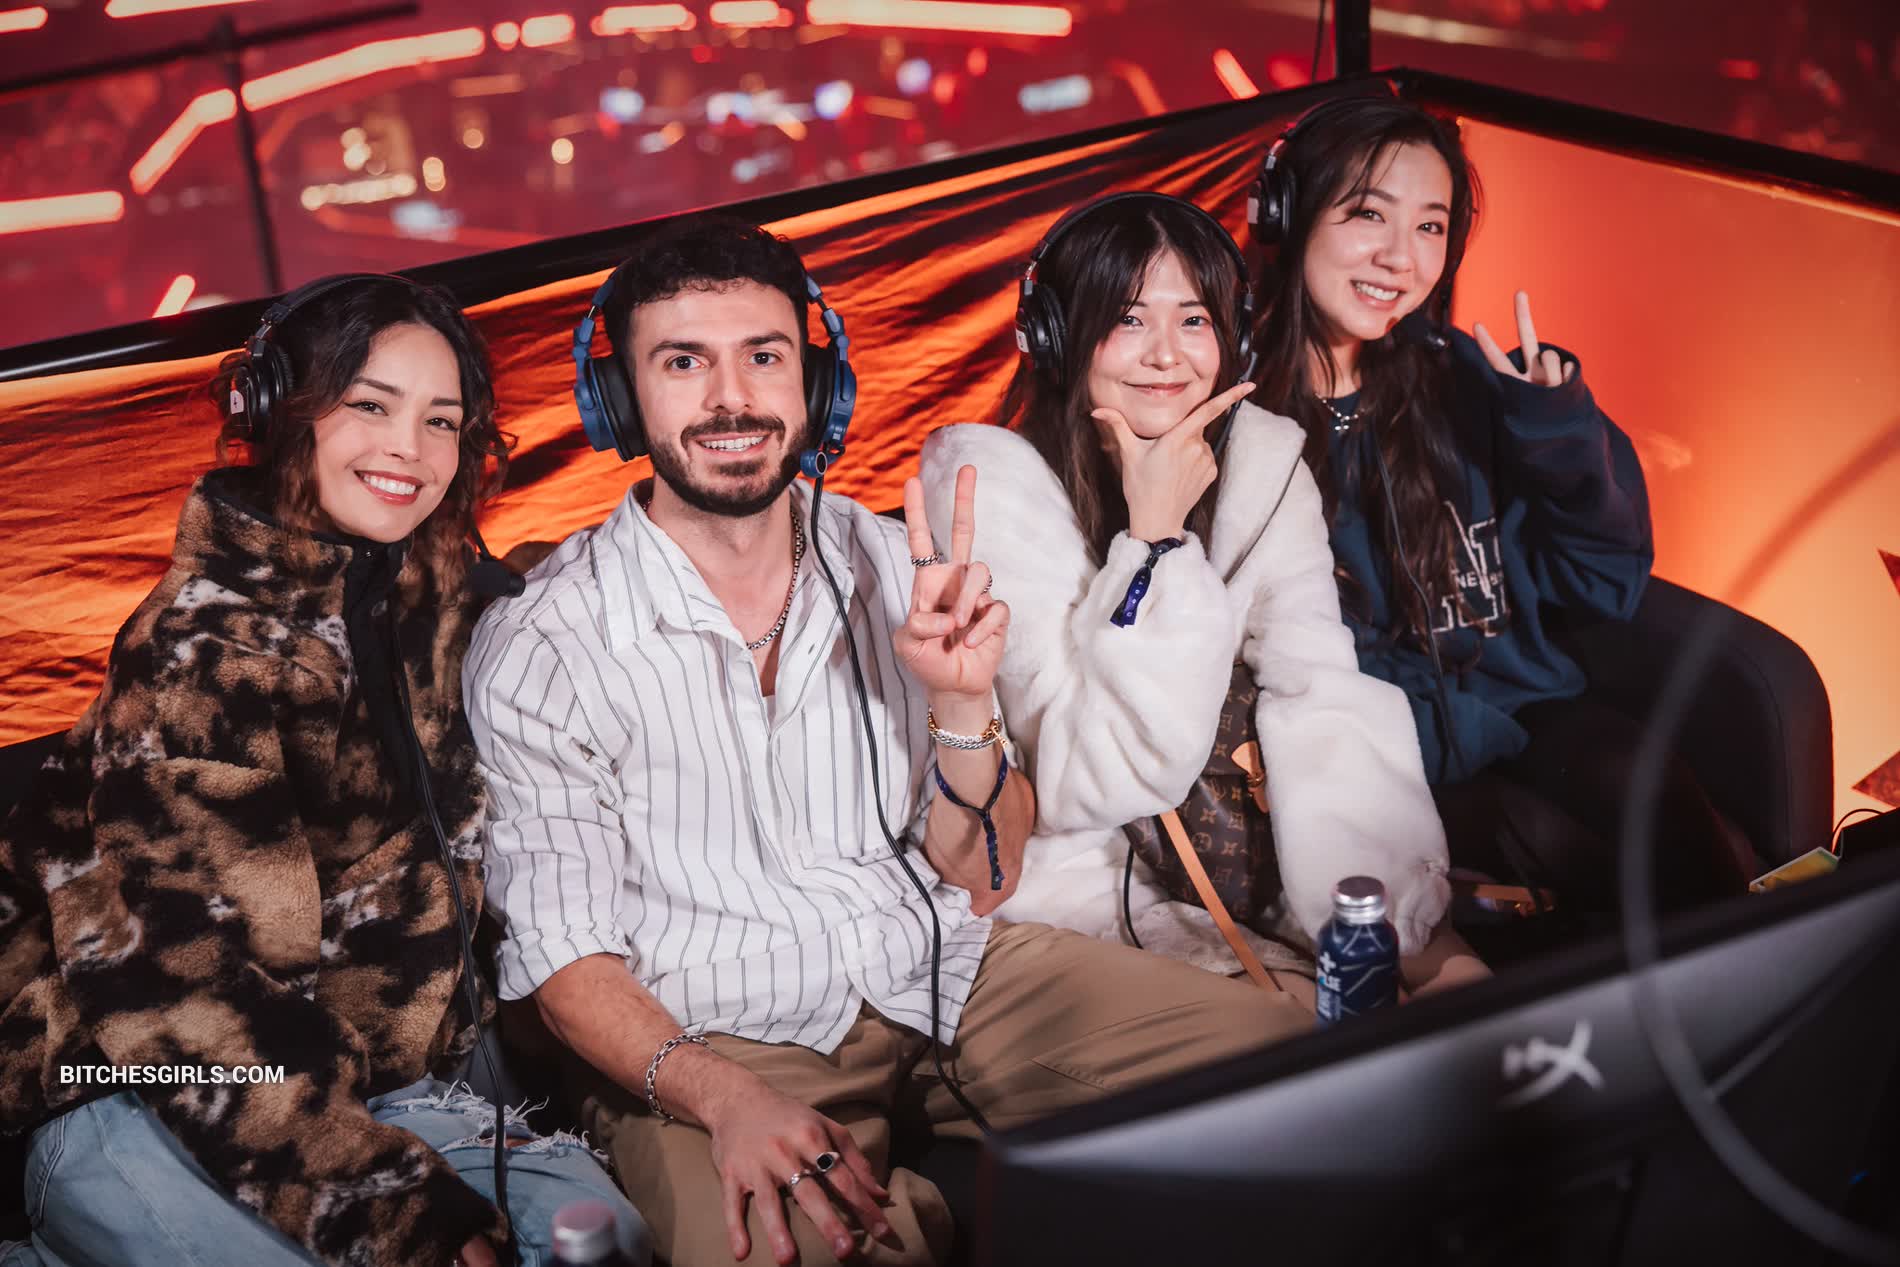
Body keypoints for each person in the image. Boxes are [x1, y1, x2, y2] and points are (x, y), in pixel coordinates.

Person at [464, 216, 1312, 1267]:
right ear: (619, 400)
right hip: (715, 1040)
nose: (731, 398)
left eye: (764, 356)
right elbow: (564, 961)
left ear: (817, 385)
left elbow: (987, 873)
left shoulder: (890, 561)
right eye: (683, 362)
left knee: (1296, 1077)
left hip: (949, 972)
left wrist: (961, 702)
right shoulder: (543, 643)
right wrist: (725, 1100)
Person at [0, 275, 644, 1267]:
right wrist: (396, 1216)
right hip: (147, 1085)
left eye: (441, 420)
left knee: (600, 1241)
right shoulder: (198, 655)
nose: (409, 449)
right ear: (277, 410)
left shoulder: (439, 601)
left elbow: (584, 587)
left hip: (372, 1090)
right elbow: (192, 1003)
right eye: (371, 406)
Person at [919, 192, 1481, 989]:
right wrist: (1154, 541)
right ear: (1054, 334)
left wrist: (1390, 918)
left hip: (1254, 859)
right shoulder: (992, 496)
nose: (1166, 356)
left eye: (1193, 320)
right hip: (1083, 895)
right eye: (1128, 318)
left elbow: (1321, 691)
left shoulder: (1263, 467)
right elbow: (1090, 781)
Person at [1245, 94, 1752, 914]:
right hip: (1373, 747)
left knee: (1647, 783)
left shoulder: (1468, 384)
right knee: (1546, 851)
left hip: (1519, 710)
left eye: (1430, 226)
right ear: (1288, 213)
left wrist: (1556, 431)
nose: (1399, 257)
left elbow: (1606, 580)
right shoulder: (1240, 425)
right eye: (1369, 213)